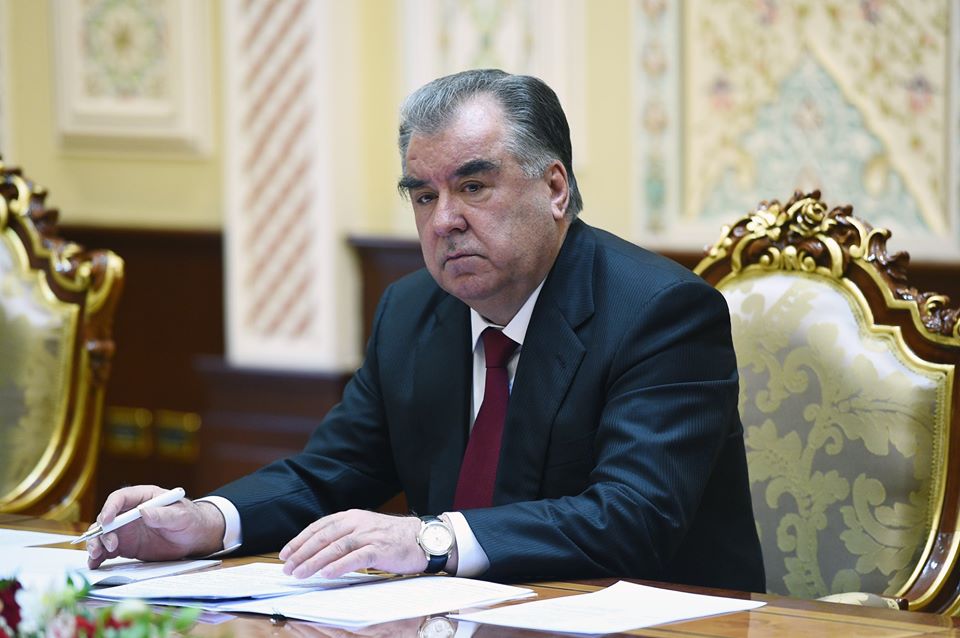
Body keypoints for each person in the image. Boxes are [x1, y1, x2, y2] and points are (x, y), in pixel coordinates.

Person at [87, 69, 764, 591]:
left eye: (474, 187)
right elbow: (332, 473)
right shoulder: (412, 311)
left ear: (555, 188)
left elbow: (633, 517)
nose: (444, 221)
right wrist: (206, 521)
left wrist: (431, 540)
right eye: (423, 195)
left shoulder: (661, 312)